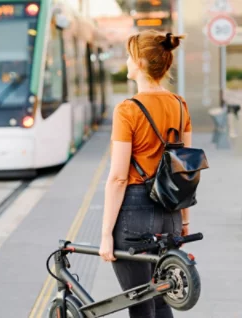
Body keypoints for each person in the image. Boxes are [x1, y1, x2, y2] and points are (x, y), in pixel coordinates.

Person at [99, 30, 191, 318]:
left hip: (134, 214)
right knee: (163, 301)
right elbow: (184, 168)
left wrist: (105, 235)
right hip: (171, 212)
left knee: (140, 305)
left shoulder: (127, 110)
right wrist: (184, 221)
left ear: (139, 61)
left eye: (128, 55)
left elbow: (118, 177)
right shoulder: (179, 104)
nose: (126, 61)